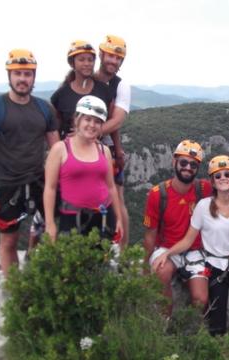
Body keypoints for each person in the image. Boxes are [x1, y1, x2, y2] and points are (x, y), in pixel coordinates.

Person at [0, 49, 59, 276]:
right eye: (18, 73)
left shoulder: (44, 109)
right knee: (9, 240)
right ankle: (13, 288)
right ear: (9, 76)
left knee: (52, 232)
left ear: (34, 77)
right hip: (6, 184)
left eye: (28, 74)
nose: (23, 79)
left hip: (39, 182)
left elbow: (56, 150)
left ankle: (39, 274)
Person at [152, 156, 229, 346]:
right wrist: (167, 253)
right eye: (218, 175)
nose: (223, 178)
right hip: (215, 266)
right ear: (212, 181)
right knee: (216, 327)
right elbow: (189, 239)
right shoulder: (203, 207)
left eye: (227, 174)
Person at [43, 96, 124, 242]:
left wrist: (118, 219)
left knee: (101, 263)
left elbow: (111, 187)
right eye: (88, 119)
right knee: (73, 263)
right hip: (72, 218)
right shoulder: (60, 149)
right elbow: (50, 188)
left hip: (104, 216)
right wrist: (50, 224)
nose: (92, 125)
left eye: (97, 121)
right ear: (77, 120)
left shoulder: (103, 150)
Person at [94, 34, 131, 246]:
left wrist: (88, 134)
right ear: (101, 54)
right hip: (88, 144)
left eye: (118, 58)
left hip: (103, 145)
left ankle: (123, 251)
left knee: (117, 199)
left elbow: (116, 121)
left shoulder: (120, 85)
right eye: (110, 56)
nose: (113, 61)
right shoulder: (87, 78)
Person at [51, 40, 111, 140]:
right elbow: (55, 128)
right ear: (72, 63)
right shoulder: (60, 95)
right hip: (70, 150)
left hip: (98, 148)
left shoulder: (104, 91)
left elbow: (110, 120)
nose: (87, 63)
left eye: (90, 60)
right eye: (81, 60)